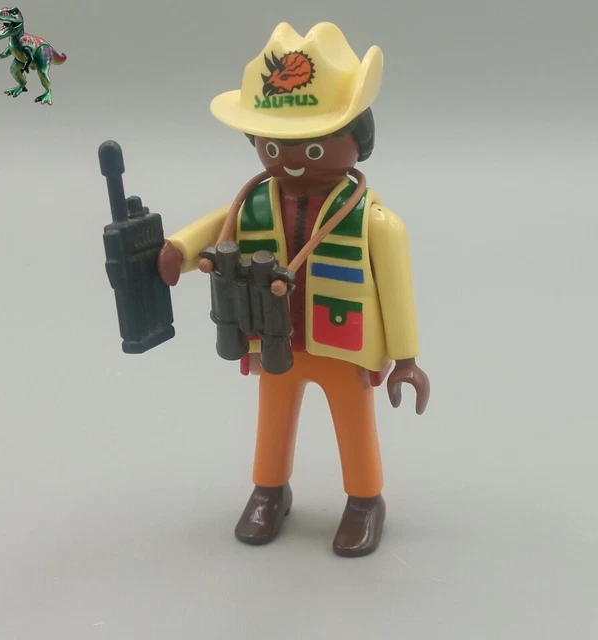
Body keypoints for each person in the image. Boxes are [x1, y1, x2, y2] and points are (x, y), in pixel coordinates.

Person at [157, 22, 430, 557]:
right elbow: (215, 229)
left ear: (359, 140)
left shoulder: (374, 223)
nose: (292, 158)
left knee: (353, 421)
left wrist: (406, 358)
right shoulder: (251, 206)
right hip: (272, 335)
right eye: (274, 144)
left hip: (343, 344)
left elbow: (397, 290)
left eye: (315, 145)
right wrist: (178, 251)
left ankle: (364, 500)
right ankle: (268, 491)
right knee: (273, 419)